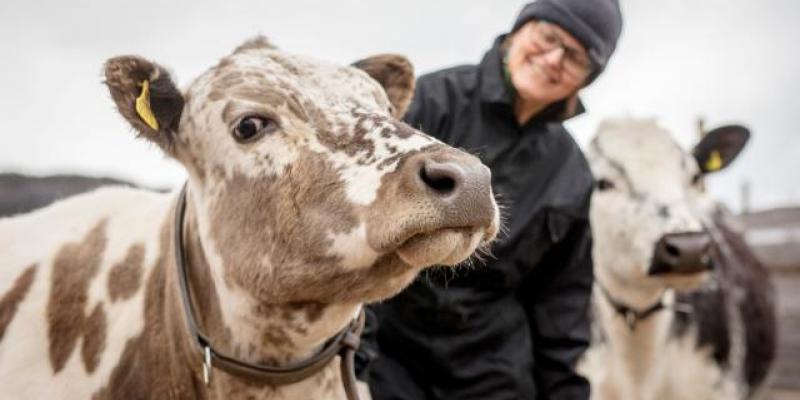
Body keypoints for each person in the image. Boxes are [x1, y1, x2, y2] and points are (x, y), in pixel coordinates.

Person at [356, 1, 623, 399]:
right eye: (548, 38)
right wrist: (356, 362)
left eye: (576, 57)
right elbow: (360, 233)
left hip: (493, 367)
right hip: (391, 352)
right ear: (520, 28)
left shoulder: (571, 172)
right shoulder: (427, 102)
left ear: (587, 79)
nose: (553, 59)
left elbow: (560, 301)